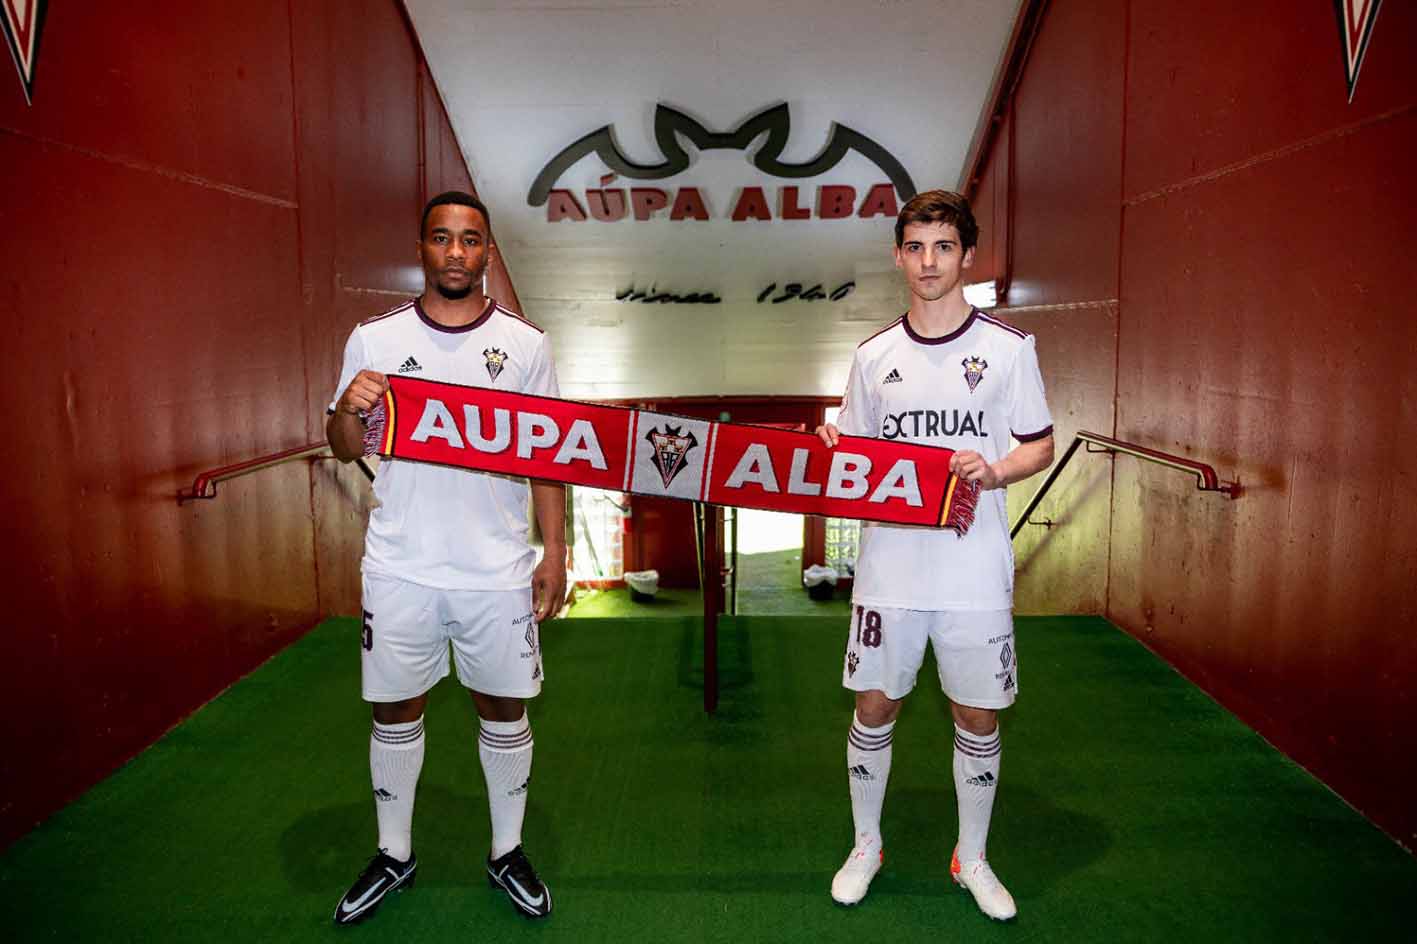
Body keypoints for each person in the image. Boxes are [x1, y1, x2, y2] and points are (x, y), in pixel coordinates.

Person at [326, 191, 566, 924]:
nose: (456, 252)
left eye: (470, 240)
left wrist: (553, 549)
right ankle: (394, 853)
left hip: (496, 567)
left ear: (488, 252)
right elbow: (342, 447)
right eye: (441, 238)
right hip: (401, 563)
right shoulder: (373, 339)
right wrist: (348, 409)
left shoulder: (527, 345)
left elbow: (550, 456)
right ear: (423, 249)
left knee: (504, 706)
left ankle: (506, 851)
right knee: (395, 708)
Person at [817, 190, 1054, 920]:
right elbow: (854, 460)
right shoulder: (871, 355)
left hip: (972, 568)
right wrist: (832, 451)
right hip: (889, 570)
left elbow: (1038, 443)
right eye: (915, 247)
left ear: (966, 257)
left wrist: (995, 470)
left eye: (943, 247)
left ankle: (972, 857)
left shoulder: (1008, 350)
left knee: (976, 715)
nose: (928, 262)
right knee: (874, 702)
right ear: (898, 255)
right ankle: (865, 845)